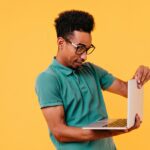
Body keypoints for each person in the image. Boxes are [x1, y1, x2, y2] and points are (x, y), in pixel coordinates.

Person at [35, 10, 150, 150]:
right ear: (61, 43)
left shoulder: (90, 69)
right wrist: (116, 130)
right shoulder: (48, 79)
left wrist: (140, 77)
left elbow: (127, 90)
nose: (84, 57)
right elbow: (60, 132)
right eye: (80, 48)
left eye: (87, 49)